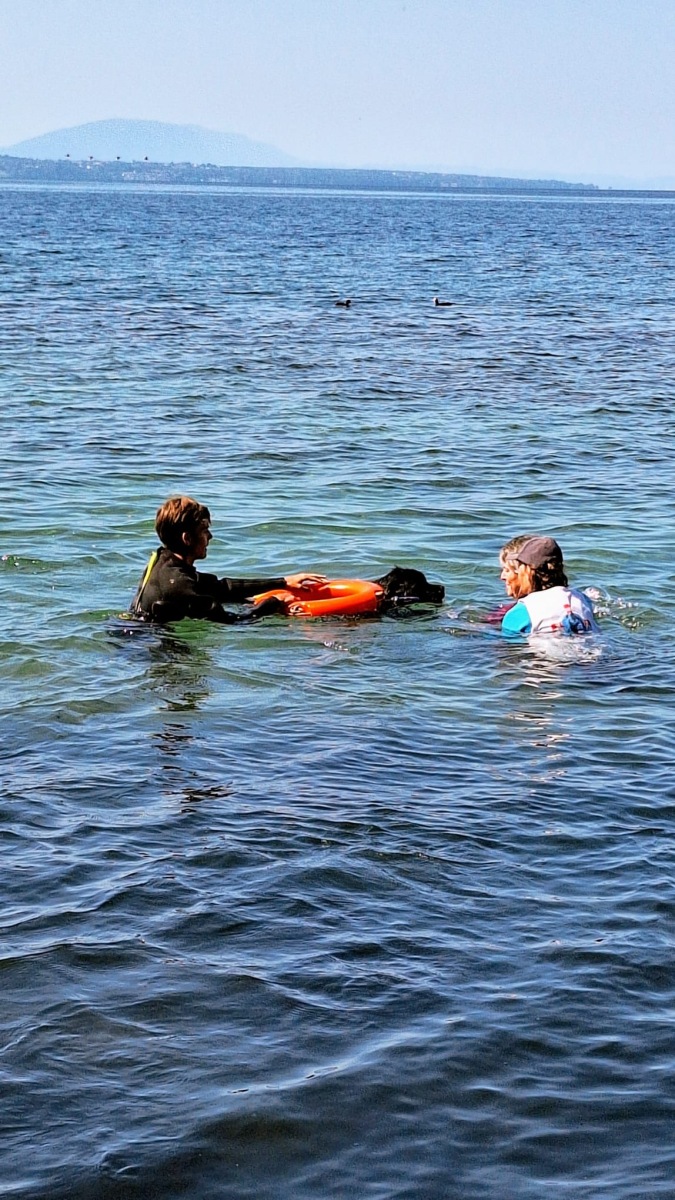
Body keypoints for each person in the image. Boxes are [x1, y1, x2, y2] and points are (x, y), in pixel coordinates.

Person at [130, 496, 326, 624]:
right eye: (204, 531)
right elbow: (235, 621)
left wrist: (283, 582)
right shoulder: (180, 586)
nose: (211, 537)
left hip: (132, 633)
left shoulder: (163, 561)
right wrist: (274, 603)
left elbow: (222, 588)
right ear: (187, 539)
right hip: (151, 647)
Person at [499, 535, 599, 636]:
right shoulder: (583, 600)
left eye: (507, 570)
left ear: (525, 572)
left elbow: (508, 649)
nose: (502, 576)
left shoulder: (519, 614)